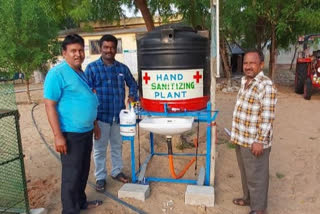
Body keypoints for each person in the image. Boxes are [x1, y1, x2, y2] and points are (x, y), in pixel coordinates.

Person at [44, 34, 102, 213]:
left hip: (85, 131)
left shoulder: (80, 72)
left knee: (83, 171)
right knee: (71, 175)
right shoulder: (57, 73)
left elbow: (88, 99)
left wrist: (95, 124)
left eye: (80, 50)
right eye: (73, 51)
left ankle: (81, 202)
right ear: (64, 53)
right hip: (70, 134)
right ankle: (70, 210)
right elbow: (50, 105)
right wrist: (58, 136)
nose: (78, 54)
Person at [85, 34, 138, 192]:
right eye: (106, 47)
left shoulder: (122, 68)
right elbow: (86, 94)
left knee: (116, 146)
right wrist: (93, 121)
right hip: (100, 118)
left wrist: (131, 96)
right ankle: (100, 177)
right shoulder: (92, 68)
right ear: (100, 48)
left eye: (112, 47)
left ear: (116, 49)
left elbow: (133, 84)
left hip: (118, 116)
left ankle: (116, 171)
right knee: (99, 149)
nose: (109, 50)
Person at [230, 49, 277, 214]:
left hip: (255, 142)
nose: (248, 66)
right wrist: (235, 135)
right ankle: (248, 198)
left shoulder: (266, 85)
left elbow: (267, 116)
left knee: (257, 177)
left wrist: (260, 140)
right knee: (246, 173)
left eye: (252, 63)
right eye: (245, 63)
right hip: (242, 139)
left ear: (261, 65)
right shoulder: (245, 81)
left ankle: (259, 209)